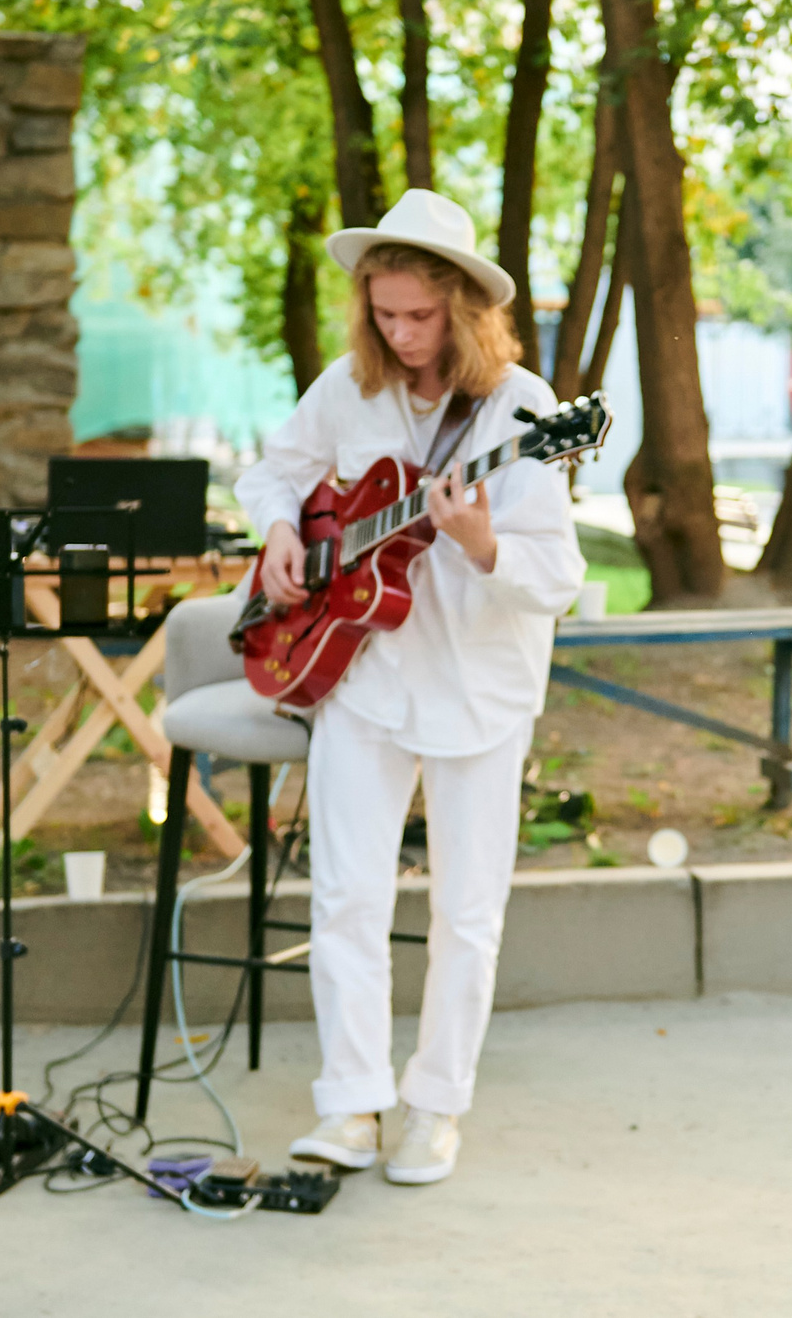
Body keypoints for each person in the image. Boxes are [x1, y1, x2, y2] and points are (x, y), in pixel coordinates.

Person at [236, 189, 586, 1187]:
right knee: (346, 893)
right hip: (364, 672)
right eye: (384, 313)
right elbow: (275, 473)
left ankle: (435, 1105)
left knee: (468, 908)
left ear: (465, 308)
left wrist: (480, 542)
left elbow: (553, 575)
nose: (400, 333)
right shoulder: (347, 388)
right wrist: (277, 531)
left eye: (419, 316)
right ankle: (350, 1101)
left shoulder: (522, 407)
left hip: (479, 685)